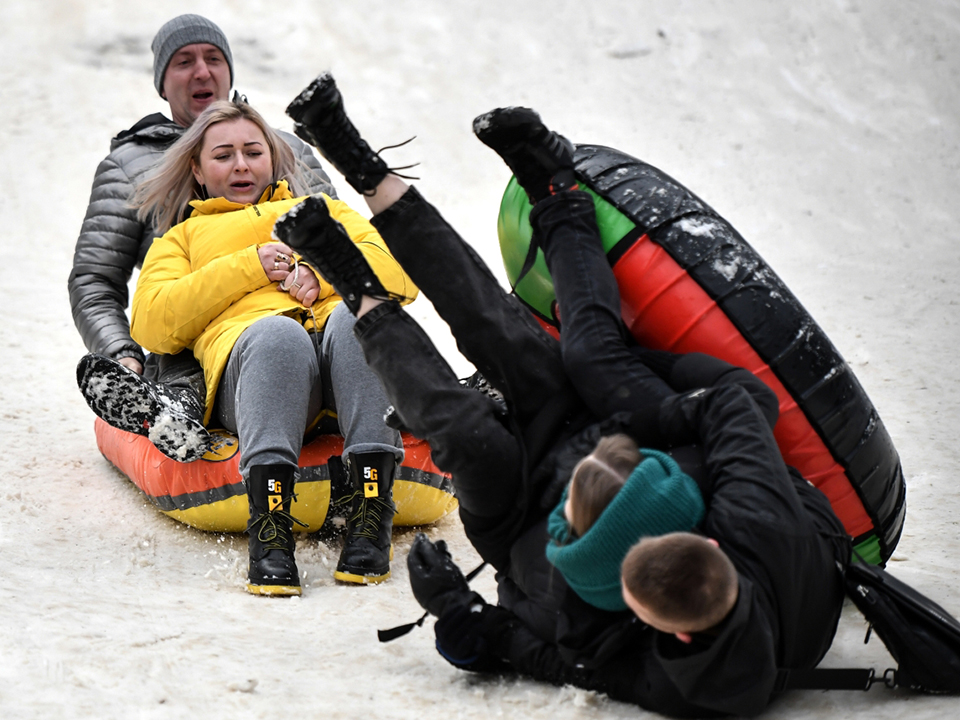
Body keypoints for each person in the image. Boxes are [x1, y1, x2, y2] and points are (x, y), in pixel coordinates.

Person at [274, 73, 850, 716]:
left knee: (465, 435)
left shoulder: (637, 662)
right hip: (628, 425)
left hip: (521, 511)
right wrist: (649, 413)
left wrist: (456, 611)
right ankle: (402, 170)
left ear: (637, 609)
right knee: (546, 346)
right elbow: (739, 404)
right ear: (708, 537)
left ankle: (354, 282)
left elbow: (526, 653)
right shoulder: (755, 521)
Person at [126, 98, 417, 594]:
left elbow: (399, 273)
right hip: (260, 374)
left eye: (252, 151)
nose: (241, 165)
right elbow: (153, 322)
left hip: (343, 365)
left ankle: (371, 515)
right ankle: (271, 533)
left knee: (359, 316)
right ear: (196, 168)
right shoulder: (181, 239)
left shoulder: (326, 213)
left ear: (273, 159)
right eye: (223, 155)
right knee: (277, 333)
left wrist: (326, 274)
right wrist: (250, 266)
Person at [71, 14, 336, 462]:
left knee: (360, 331)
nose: (202, 71)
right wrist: (122, 354)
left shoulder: (285, 150)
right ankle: (172, 409)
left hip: (302, 319)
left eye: (213, 58)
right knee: (184, 355)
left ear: (229, 71)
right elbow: (95, 280)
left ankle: (423, 397)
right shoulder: (130, 166)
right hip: (195, 344)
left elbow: (344, 239)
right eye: (183, 61)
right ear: (162, 83)